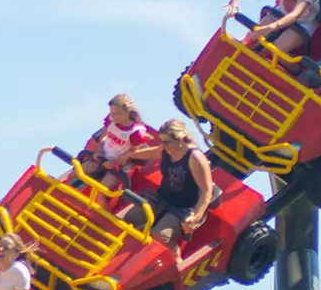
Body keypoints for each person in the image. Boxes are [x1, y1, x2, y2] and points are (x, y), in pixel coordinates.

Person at [118, 119, 217, 248]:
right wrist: (129, 155)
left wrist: (196, 217)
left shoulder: (195, 158)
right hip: (162, 197)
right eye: (161, 142)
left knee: (159, 236)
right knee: (130, 219)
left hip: (184, 207)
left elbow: (206, 191)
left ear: (180, 139)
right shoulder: (165, 149)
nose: (163, 146)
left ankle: (174, 255)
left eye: (167, 142)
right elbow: (154, 152)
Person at [74, 93, 158, 190]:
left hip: (118, 167)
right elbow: (103, 136)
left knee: (102, 189)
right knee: (77, 171)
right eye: (112, 113)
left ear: (127, 113)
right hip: (103, 158)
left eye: (117, 114)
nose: (114, 117)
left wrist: (115, 163)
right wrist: (100, 151)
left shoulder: (135, 132)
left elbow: (131, 154)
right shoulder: (111, 120)